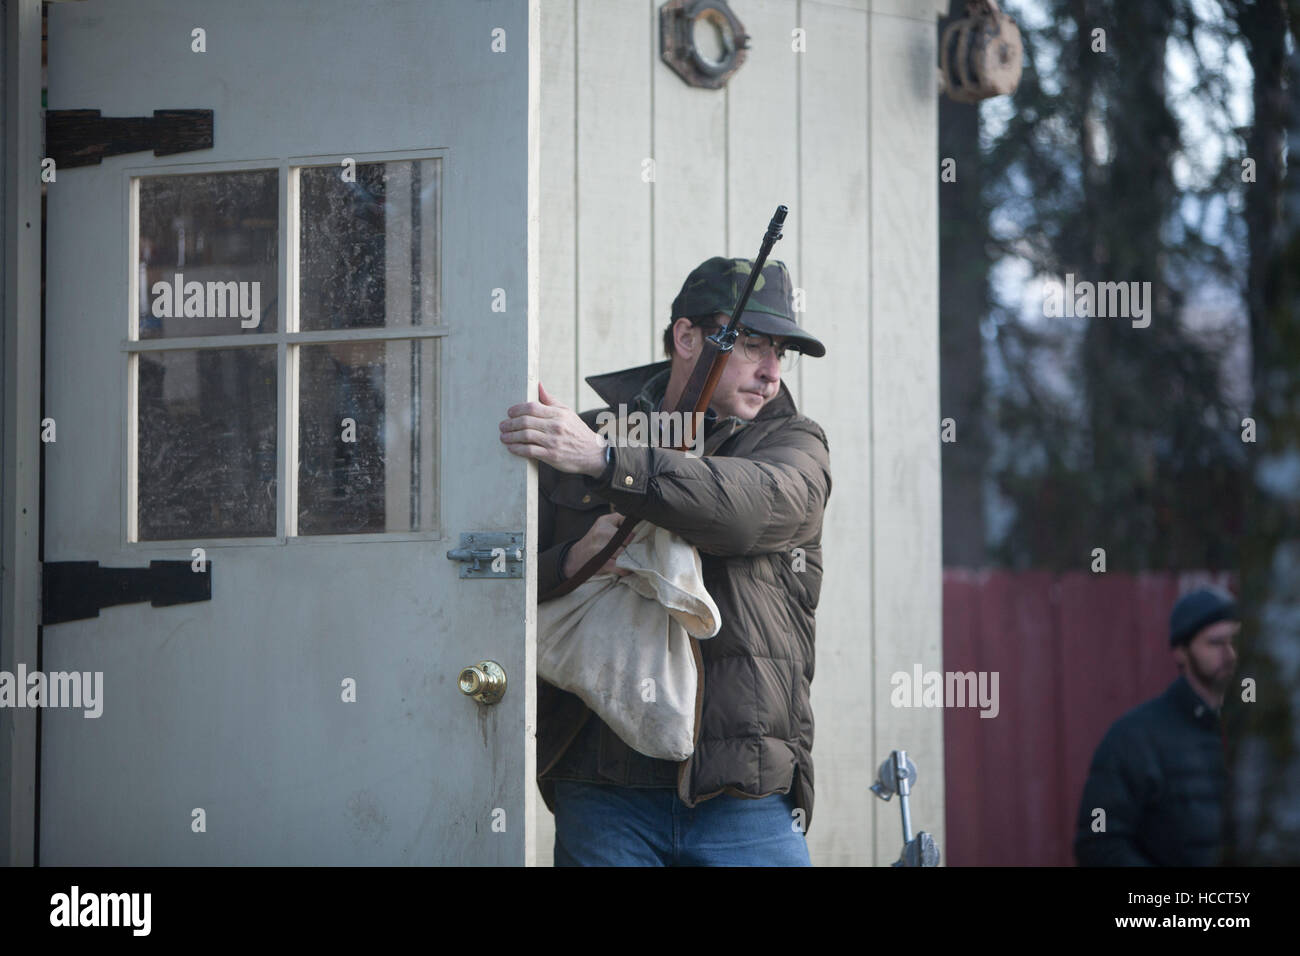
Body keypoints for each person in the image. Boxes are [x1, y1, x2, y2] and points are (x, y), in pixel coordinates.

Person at [499, 256, 831, 866]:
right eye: (752, 344)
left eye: (781, 352)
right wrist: (577, 557)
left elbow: (742, 510)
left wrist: (609, 463)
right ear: (686, 337)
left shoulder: (793, 444)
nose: (771, 373)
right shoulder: (583, 436)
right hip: (602, 786)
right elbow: (505, 586)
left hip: (744, 789)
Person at [1073, 586, 1240, 866]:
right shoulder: (1133, 739)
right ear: (1181, 653)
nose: (1231, 654)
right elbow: (1098, 844)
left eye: (1236, 641)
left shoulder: (1259, 732)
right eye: (1215, 643)